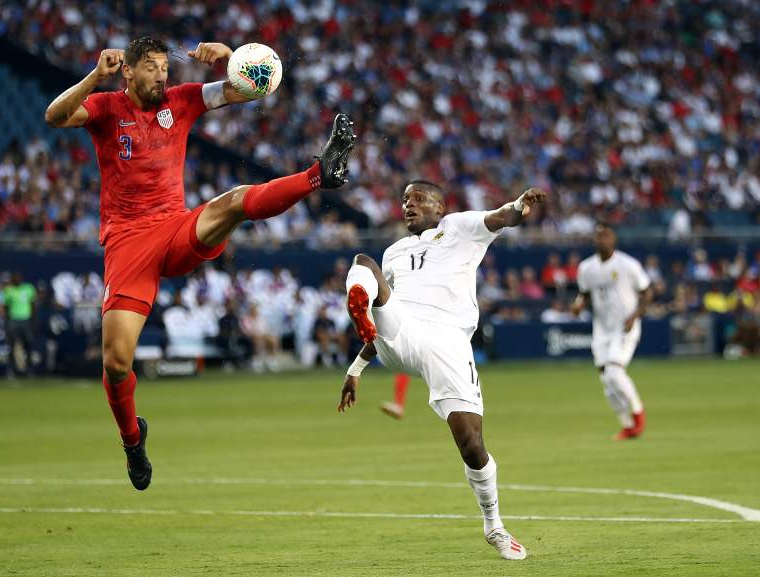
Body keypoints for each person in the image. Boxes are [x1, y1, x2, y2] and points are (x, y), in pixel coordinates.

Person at [45, 37, 356, 490]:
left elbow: (249, 90)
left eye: (163, 67)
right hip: (129, 244)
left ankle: (318, 174)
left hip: (175, 228)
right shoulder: (106, 106)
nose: (161, 75)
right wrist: (95, 75)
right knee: (115, 362)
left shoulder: (183, 100)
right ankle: (133, 440)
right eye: (150, 68)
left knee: (230, 204)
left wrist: (232, 60)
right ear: (127, 71)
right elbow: (54, 116)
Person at [338, 180, 546, 561]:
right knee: (363, 264)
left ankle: (493, 525)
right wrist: (357, 367)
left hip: (448, 341)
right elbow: (392, 308)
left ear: (439, 206)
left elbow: (501, 217)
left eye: (418, 199)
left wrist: (519, 203)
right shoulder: (394, 252)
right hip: (403, 334)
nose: (408, 205)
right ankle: (361, 310)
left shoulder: (458, 227)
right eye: (404, 200)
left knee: (471, 444)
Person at [571, 225, 652, 440]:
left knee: (615, 372)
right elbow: (584, 293)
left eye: (606, 236)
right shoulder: (586, 268)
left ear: (614, 240)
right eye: (598, 236)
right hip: (601, 330)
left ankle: (638, 414)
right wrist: (579, 304)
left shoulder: (628, 265)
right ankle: (626, 426)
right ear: (594, 241)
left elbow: (647, 293)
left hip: (625, 326)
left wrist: (635, 316)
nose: (602, 240)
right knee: (607, 382)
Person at [1, 273, 38, 377]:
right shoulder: (9, 290)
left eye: (18, 278)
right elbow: (6, 306)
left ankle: (29, 369)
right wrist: (7, 321)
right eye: (14, 278)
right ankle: (11, 370)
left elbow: (33, 305)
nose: (16, 280)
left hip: (26, 320)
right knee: (12, 345)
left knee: (29, 345)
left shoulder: (28, 288)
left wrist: (33, 320)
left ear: (21, 279)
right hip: (13, 320)